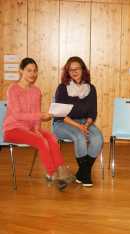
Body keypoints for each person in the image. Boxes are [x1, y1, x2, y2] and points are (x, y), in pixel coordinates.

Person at [3, 57, 71, 191]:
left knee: (52, 138)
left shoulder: (36, 91)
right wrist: (40, 117)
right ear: (21, 71)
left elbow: (35, 113)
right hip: (13, 129)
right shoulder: (12, 89)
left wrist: (37, 128)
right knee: (40, 141)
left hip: (29, 129)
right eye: (29, 70)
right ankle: (52, 174)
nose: (32, 74)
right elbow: (17, 115)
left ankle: (61, 170)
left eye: (35, 71)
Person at [53, 56, 103, 187]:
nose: (74, 72)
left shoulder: (91, 88)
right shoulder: (62, 88)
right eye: (70, 70)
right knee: (79, 136)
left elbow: (93, 112)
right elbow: (60, 114)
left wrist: (86, 124)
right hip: (62, 122)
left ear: (83, 70)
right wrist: (80, 127)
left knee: (98, 138)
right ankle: (85, 176)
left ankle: (83, 172)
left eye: (77, 69)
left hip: (83, 122)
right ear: (67, 72)